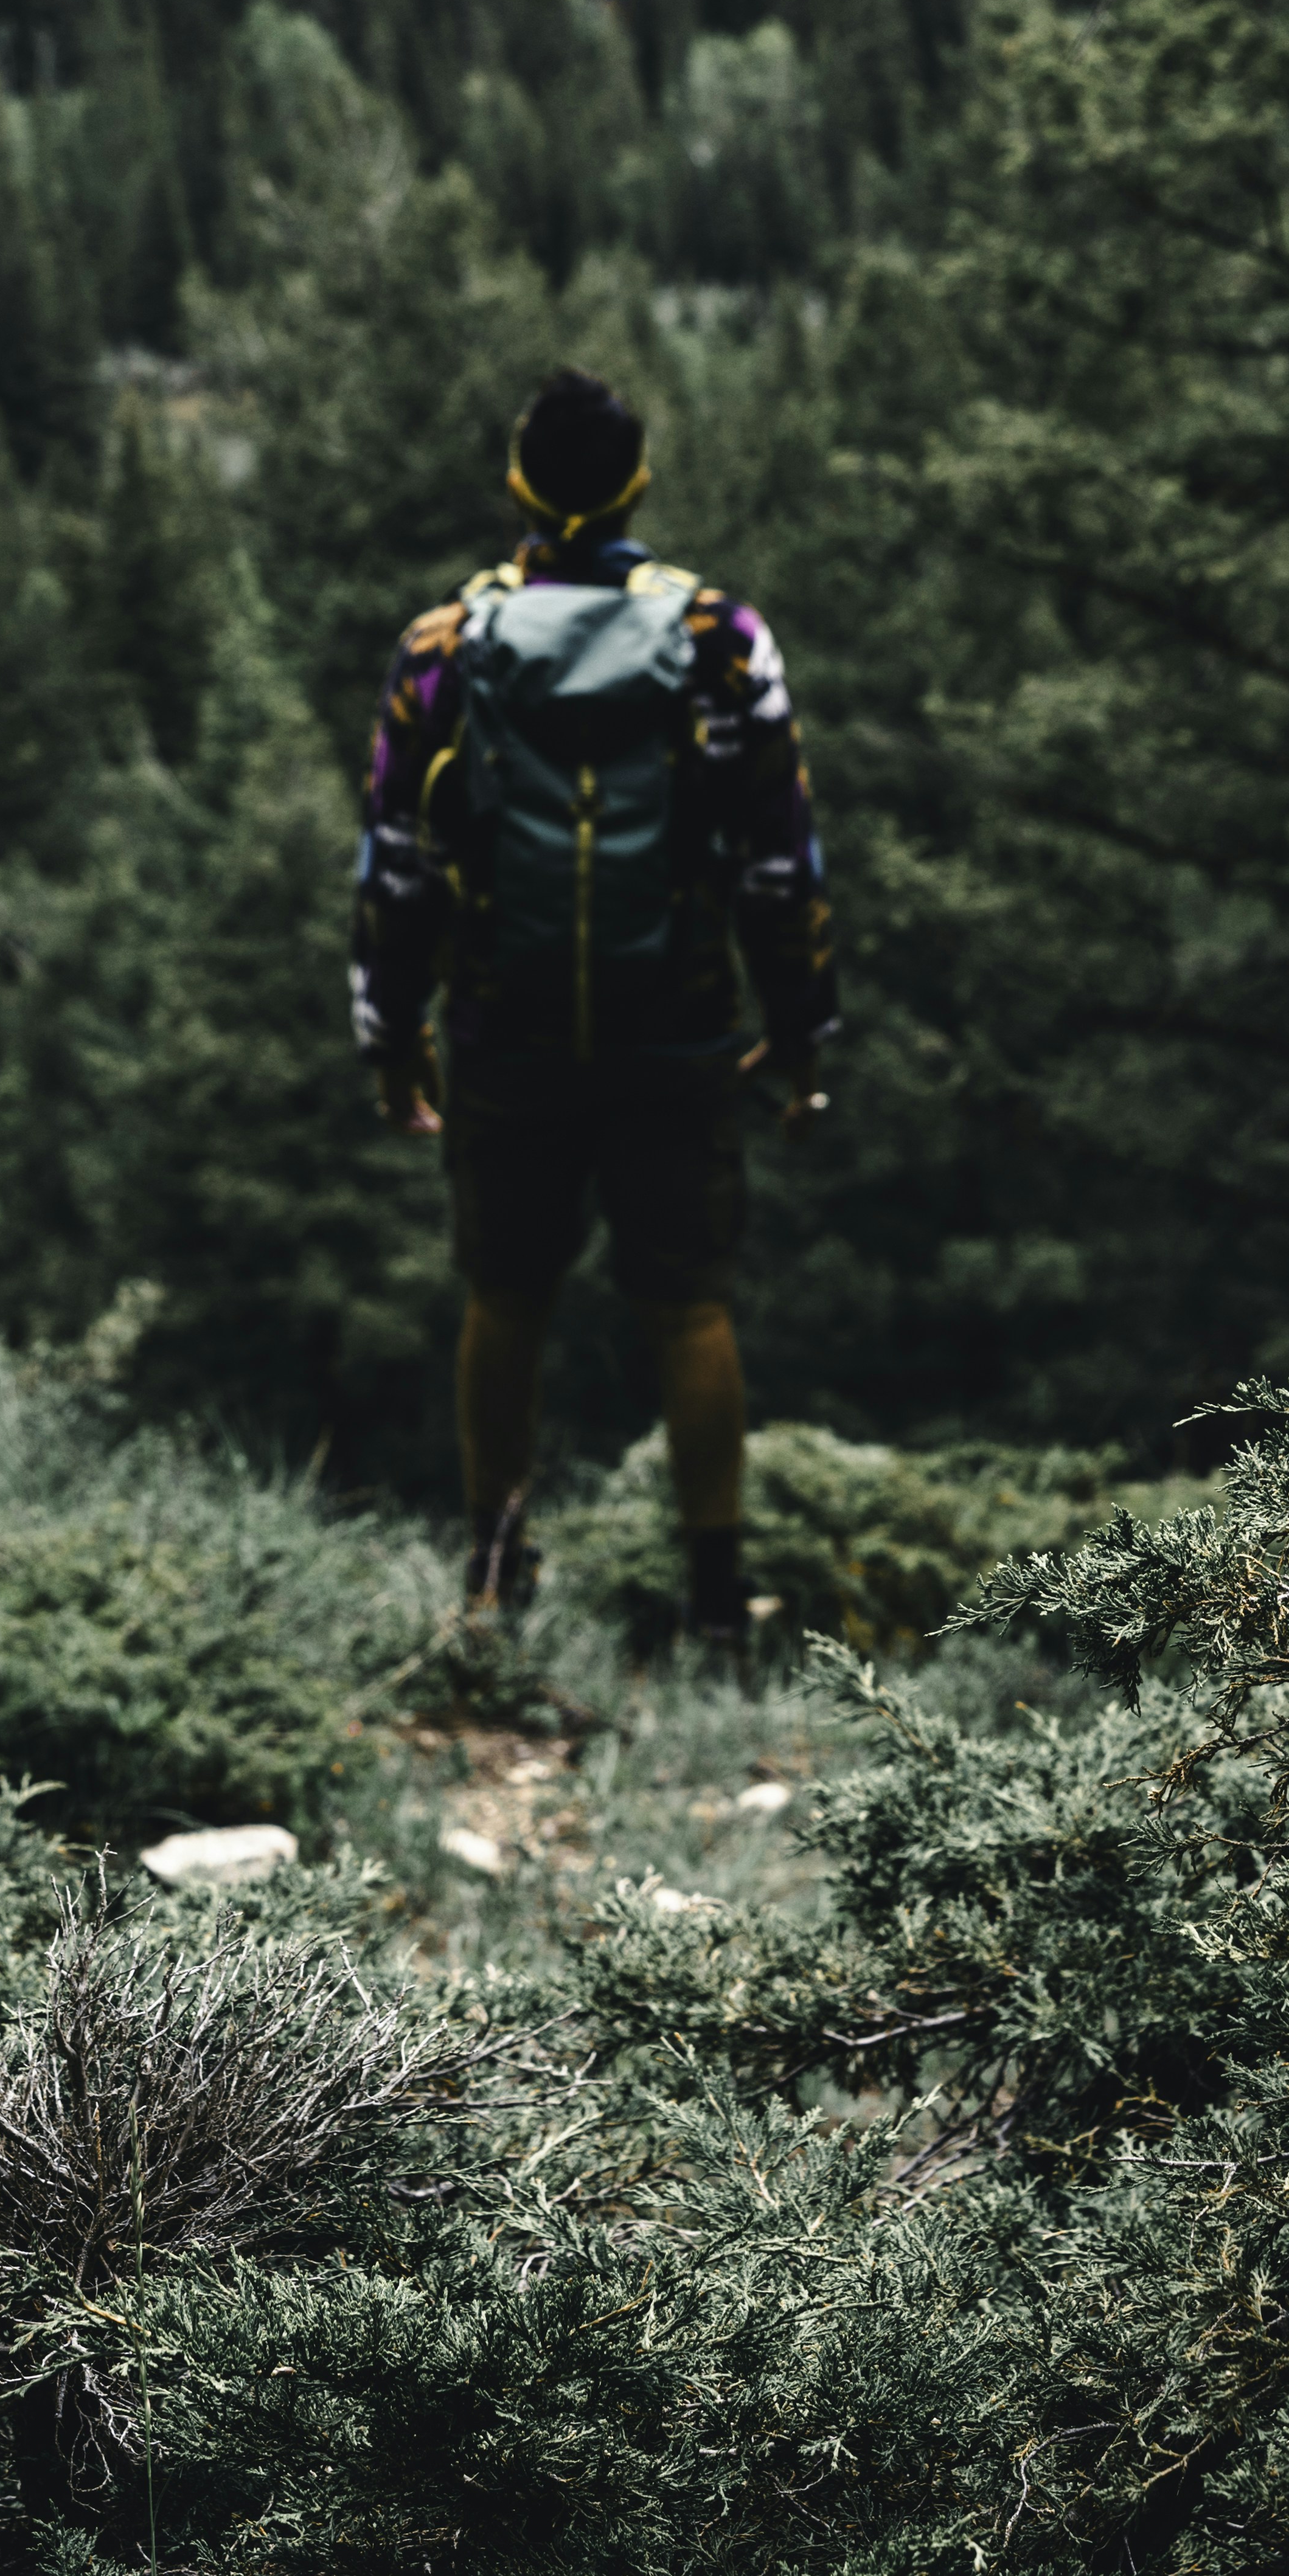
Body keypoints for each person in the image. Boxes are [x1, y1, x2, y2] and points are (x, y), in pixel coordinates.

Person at [351, 364, 835, 1649]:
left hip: (502, 1025)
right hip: (673, 1021)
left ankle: (496, 1578)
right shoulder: (721, 639)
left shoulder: (442, 646)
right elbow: (781, 860)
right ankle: (719, 1599)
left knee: (504, 1298)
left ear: (517, 480)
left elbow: (395, 864)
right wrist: (798, 1033)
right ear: (636, 483)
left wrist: (391, 1038)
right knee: (689, 1305)